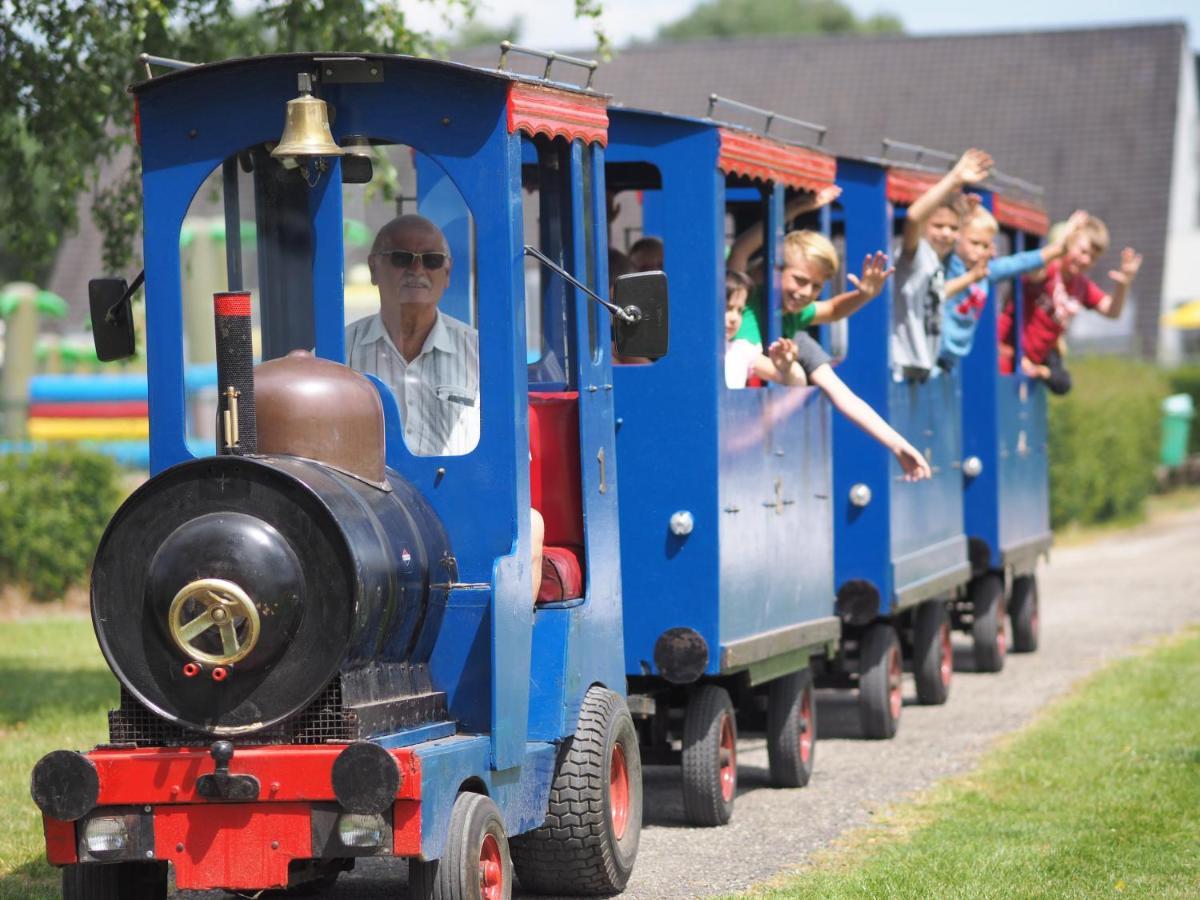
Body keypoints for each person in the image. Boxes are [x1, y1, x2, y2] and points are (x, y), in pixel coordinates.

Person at [346, 214, 544, 598]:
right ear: (374, 268)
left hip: (462, 506)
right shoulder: (338, 355)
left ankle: (511, 655)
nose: (417, 270)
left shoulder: (485, 355)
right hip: (367, 513)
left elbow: (512, 456)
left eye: (431, 260)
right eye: (402, 258)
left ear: (447, 274)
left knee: (530, 527)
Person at [728, 188, 894, 346]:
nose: (806, 292)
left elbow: (833, 310)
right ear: (776, 270)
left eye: (816, 286)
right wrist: (793, 210)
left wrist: (863, 295)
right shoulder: (746, 298)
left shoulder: (792, 314)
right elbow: (741, 250)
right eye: (800, 280)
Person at [997, 215, 1142, 395]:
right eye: (1082, 251)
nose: (1086, 260)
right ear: (1069, 244)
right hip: (1004, 353)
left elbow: (1112, 311)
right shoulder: (1050, 269)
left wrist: (1123, 285)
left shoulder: (1081, 286)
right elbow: (1034, 271)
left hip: (1027, 365)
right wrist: (1062, 241)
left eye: (1093, 258)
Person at [936, 207, 1089, 370]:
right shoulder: (949, 264)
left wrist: (1061, 247)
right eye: (974, 243)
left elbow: (1021, 262)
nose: (979, 250)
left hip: (953, 358)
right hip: (935, 352)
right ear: (958, 238)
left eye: (985, 246)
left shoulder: (986, 272)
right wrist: (961, 208)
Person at [893, 148, 993, 378]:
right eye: (938, 226)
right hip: (903, 365)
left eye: (954, 228)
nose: (946, 233)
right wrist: (954, 179)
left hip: (924, 366)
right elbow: (913, 217)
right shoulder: (916, 256)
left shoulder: (940, 264)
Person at [724, 269, 807, 388]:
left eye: (740, 311)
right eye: (727, 308)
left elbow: (797, 380)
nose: (734, 318)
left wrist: (787, 368)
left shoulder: (741, 350)